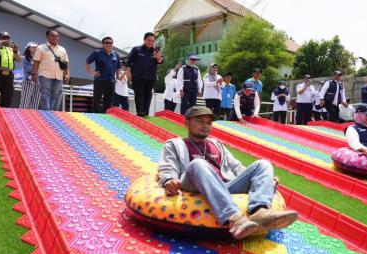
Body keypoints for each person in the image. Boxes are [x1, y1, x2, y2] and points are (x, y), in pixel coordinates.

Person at [157, 106, 298, 239]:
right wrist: (169, 180)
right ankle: (235, 219)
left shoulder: (216, 145)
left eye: (208, 122)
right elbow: (167, 167)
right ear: (186, 123)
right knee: (198, 163)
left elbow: (237, 168)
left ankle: (261, 212)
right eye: (199, 121)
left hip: (224, 185)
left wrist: (264, 180)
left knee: (263, 164)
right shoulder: (175, 144)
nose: (205, 125)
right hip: (193, 185)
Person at [126, 32, 163, 117]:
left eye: (152, 41)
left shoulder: (156, 51)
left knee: (148, 96)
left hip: (151, 77)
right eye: (149, 40)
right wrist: (128, 74)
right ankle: (140, 112)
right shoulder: (136, 49)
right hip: (137, 76)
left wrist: (158, 57)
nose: (151, 42)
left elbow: (160, 61)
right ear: (144, 39)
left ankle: (145, 113)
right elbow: (128, 63)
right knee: (139, 94)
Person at [32, 30, 70, 110]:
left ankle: (50, 111)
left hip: (58, 76)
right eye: (53, 35)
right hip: (44, 75)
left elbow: (66, 63)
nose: (55, 37)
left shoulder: (62, 49)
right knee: (45, 93)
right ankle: (46, 111)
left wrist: (67, 74)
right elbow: (36, 61)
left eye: (57, 36)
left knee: (54, 95)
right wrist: (34, 73)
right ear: (47, 37)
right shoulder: (40, 48)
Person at [86, 36, 121, 113]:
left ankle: (106, 115)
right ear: (103, 44)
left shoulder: (116, 55)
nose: (109, 44)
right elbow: (87, 62)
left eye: (110, 43)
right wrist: (92, 73)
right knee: (97, 99)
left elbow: (118, 67)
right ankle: (96, 115)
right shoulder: (97, 52)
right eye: (106, 43)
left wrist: (118, 77)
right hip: (100, 80)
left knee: (109, 100)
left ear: (113, 44)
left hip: (111, 81)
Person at [0, 31, 22, 107]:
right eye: (3, 37)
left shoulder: (11, 49)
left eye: (7, 38)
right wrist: (1, 43)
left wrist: (16, 51)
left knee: (8, 95)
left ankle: (4, 112)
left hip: (9, 74)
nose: (6, 39)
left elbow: (19, 60)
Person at [20, 42, 40, 109]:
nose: (35, 48)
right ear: (28, 48)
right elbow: (27, 69)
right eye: (33, 47)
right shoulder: (25, 57)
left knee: (35, 101)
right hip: (28, 80)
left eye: (36, 47)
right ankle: (23, 114)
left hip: (38, 81)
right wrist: (35, 69)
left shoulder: (39, 58)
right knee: (25, 100)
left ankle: (33, 115)